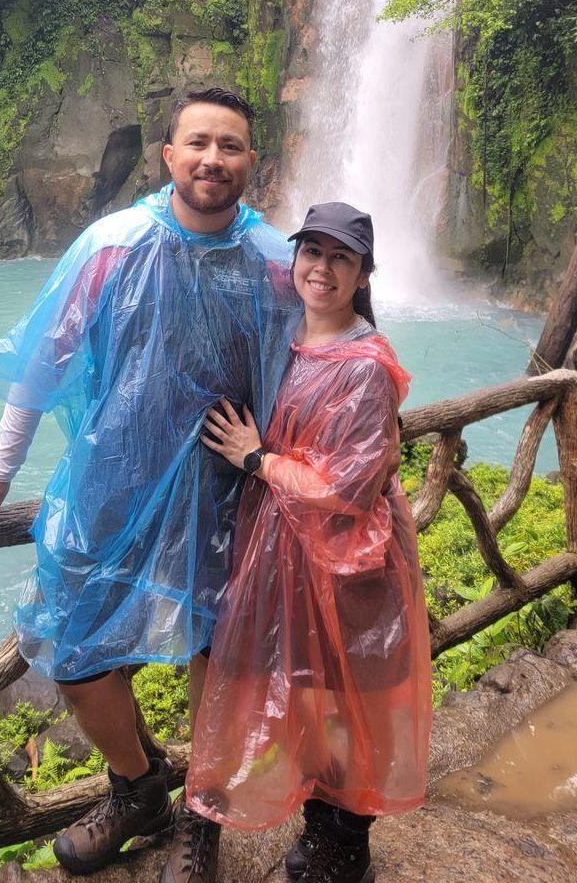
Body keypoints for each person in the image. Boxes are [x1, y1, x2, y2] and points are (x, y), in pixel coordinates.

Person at [0, 87, 298, 878]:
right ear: (168, 155)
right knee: (74, 650)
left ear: (251, 163)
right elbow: (45, 360)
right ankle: (139, 789)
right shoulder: (114, 244)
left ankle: (201, 820)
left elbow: (320, 365)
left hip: (228, 488)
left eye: (230, 146)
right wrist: (1, 468)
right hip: (113, 480)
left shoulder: (276, 262)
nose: (213, 158)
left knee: (217, 652)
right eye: (198, 142)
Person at [181, 202, 431, 883]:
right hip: (282, 551)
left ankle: (348, 848)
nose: (321, 268)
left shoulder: (365, 365)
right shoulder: (282, 339)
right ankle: (322, 830)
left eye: (339, 257)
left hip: (349, 559)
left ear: (362, 274)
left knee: (354, 701)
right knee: (309, 695)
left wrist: (258, 461)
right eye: (311, 253)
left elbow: (350, 486)